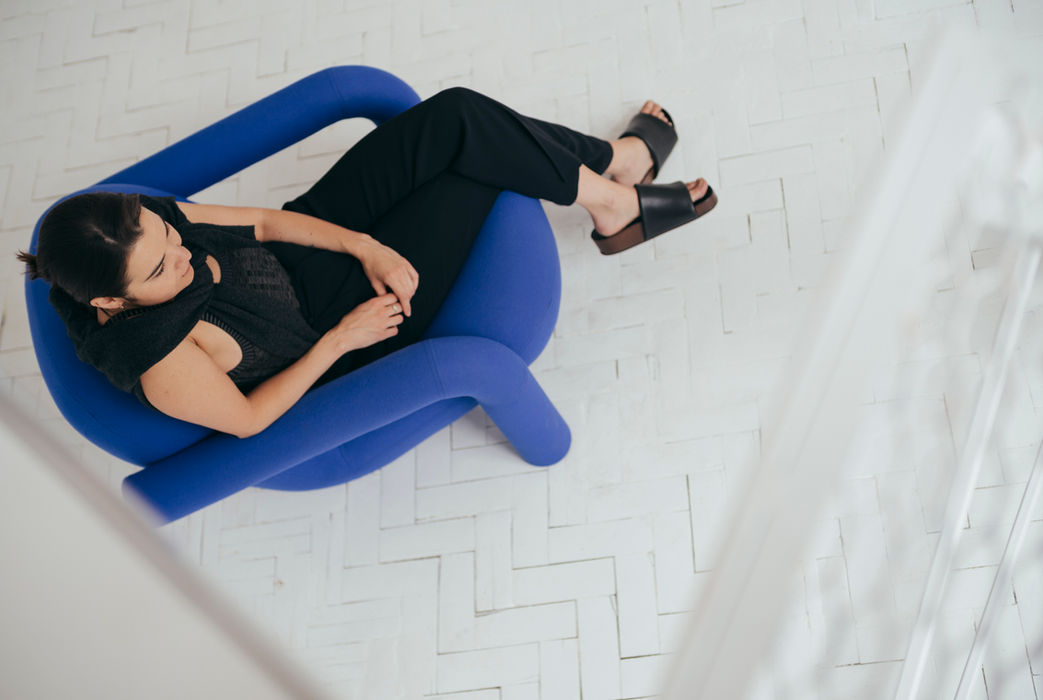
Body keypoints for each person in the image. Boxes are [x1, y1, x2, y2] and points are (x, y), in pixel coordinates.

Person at [17, 87, 716, 439]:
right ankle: (617, 184)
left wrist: (363, 243)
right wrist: (340, 339)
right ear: (112, 303)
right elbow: (249, 420)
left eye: (168, 236)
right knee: (470, 173)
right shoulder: (160, 359)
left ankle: (612, 180)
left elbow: (262, 223)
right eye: (161, 271)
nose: (181, 253)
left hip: (294, 255)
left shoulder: (146, 223)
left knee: (456, 115)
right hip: (329, 328)